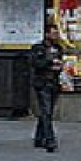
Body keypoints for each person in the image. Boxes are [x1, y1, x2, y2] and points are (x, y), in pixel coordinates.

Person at [31, 24, 64, 152]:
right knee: (46, 111)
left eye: (57, 33)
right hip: (42, 83)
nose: (56, 36)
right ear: (47, 34)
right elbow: (35, 63)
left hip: (54, 82)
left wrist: (59, 67)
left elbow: (60, 62)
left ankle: (39, 138)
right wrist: (49, 63)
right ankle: (50, 140)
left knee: (47, 111)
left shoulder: (58, 48)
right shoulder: (38, 48)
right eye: (53, 33)